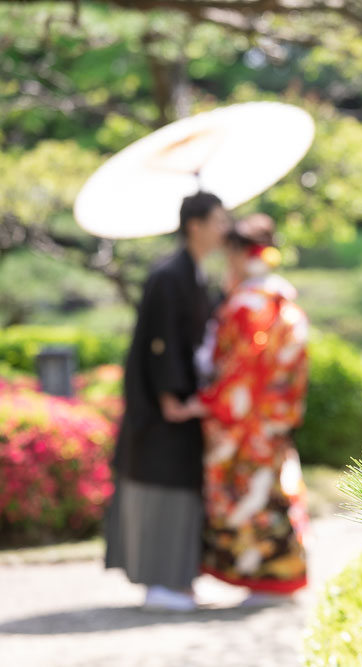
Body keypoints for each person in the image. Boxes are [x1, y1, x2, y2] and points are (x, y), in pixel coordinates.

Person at [104, 191, 230, 612]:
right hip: (162, 415)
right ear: (194, 224)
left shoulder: (195, 275)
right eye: (218, 219)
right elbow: (159, 345)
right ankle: (159, 583)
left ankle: (178, 580)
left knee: (182, 494)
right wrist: (171, 399)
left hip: (183, 408)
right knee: (159, 492)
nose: (224, 228)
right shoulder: (168, 276)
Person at [193, 214, 310, 603]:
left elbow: (234, 370)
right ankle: (282, 572)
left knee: (249, 496)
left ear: (240, 254)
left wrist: (205, 400)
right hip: (275, 418)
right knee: (272, 492)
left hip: (245, 421)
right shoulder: (282, 298)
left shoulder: (245, 304)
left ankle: (266, 578)